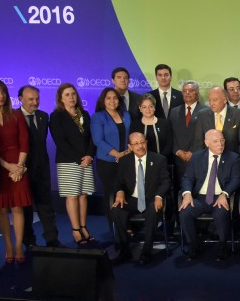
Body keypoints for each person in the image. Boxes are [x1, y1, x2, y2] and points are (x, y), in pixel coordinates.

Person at [0, 78, 34, 265]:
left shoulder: (16, 115)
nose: (1, 96)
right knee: (2, 209)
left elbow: (24, 142)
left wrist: (19, 167)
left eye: (3, 92)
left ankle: (19, 245)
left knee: (17, 208)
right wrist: (8, 167)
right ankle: (8, 246)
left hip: (19, 166)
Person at [179, 130, 240, 261]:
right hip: (200, 198)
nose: (220, 144)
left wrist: (225, 193)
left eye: (222, 140)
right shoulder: (196, 157)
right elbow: (187, 178)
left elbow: (236, 179)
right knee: (185, 212)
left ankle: (223, 245)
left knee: (221, 213)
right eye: (215, 141)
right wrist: (187, 193)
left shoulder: (233, 157)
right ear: (207, 143)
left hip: (220, 197)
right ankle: (194, 245)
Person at [109, 133, 170, 265]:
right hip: (131, 198)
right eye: (136, 144)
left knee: (152, 211)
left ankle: (146, 252)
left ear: (146, 142)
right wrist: (119, 192)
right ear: (130, 147)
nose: (140, 146)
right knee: (116, 211)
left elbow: (166, 181)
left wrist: (159, 196)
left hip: (151, 198)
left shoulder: (159, 159)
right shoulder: (125, 161)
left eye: (142, 142)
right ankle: (124, 251)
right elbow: (118, 182)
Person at [49, 83, 96, 245]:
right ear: (61, 98)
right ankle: (75, 230)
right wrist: (79, 158)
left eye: (73, 94)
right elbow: (60, 142)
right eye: (67, 95)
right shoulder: (56, 116)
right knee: (73, 196)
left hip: (87, 160)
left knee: (83, 195)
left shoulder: (85, 114)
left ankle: (84, 227)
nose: (71, 97)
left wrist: (89, 155)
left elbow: (92, 138)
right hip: (68, 161)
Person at [17, 85, 61, 248]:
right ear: (20, 99)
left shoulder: (43, 116)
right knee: (26, 208)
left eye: (37, 99)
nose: (35, 102)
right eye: (30, 99)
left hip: (42, 169)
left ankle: (52, 238)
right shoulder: (13, 117)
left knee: (46, 205)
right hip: (23, 170)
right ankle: (28, 241)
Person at [91, 87, 132, 234]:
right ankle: (115, 227)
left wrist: (126, 153)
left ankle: (126, 225)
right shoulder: (98, 117)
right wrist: (117, 154)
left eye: (115, 98)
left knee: (126, 192)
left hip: (126, 160)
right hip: (107, 162)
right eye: (108, 98)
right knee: (112, 194)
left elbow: (131, 136)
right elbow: (98, 140)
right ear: (103, 100)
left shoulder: (126, 115)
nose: (112, 101)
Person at [168, 81, 207, 230]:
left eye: (191, 91)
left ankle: (201, 226)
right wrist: (177, 151)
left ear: (197, 93)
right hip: (179, 160)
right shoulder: (174, 112)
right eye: (185, 91)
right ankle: (181, 225)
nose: (187, 94)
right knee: (180, 191)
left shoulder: (205, 110)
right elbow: (170, 135)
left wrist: (195, 154)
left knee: (198, 192)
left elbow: (207, 136)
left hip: (198, 159)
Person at [193, 86, 240, 163]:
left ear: (224, 100)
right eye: (209, 100)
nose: (211, 103)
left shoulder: (238, 115)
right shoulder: (202, 115)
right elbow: (198, 144)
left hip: (232, 164)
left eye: (215, 100)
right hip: (207, 163)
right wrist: (199, 164)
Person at [131, 94, 173, 160]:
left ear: (154, 107)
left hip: (162, 161)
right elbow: (133, 144)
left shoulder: (165, 123)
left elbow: (169, 144)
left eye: (150, 106)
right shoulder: (135, 124)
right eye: (144, 107)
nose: (148, 109)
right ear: (140, 108)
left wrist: (159, 159)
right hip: (141, 161)